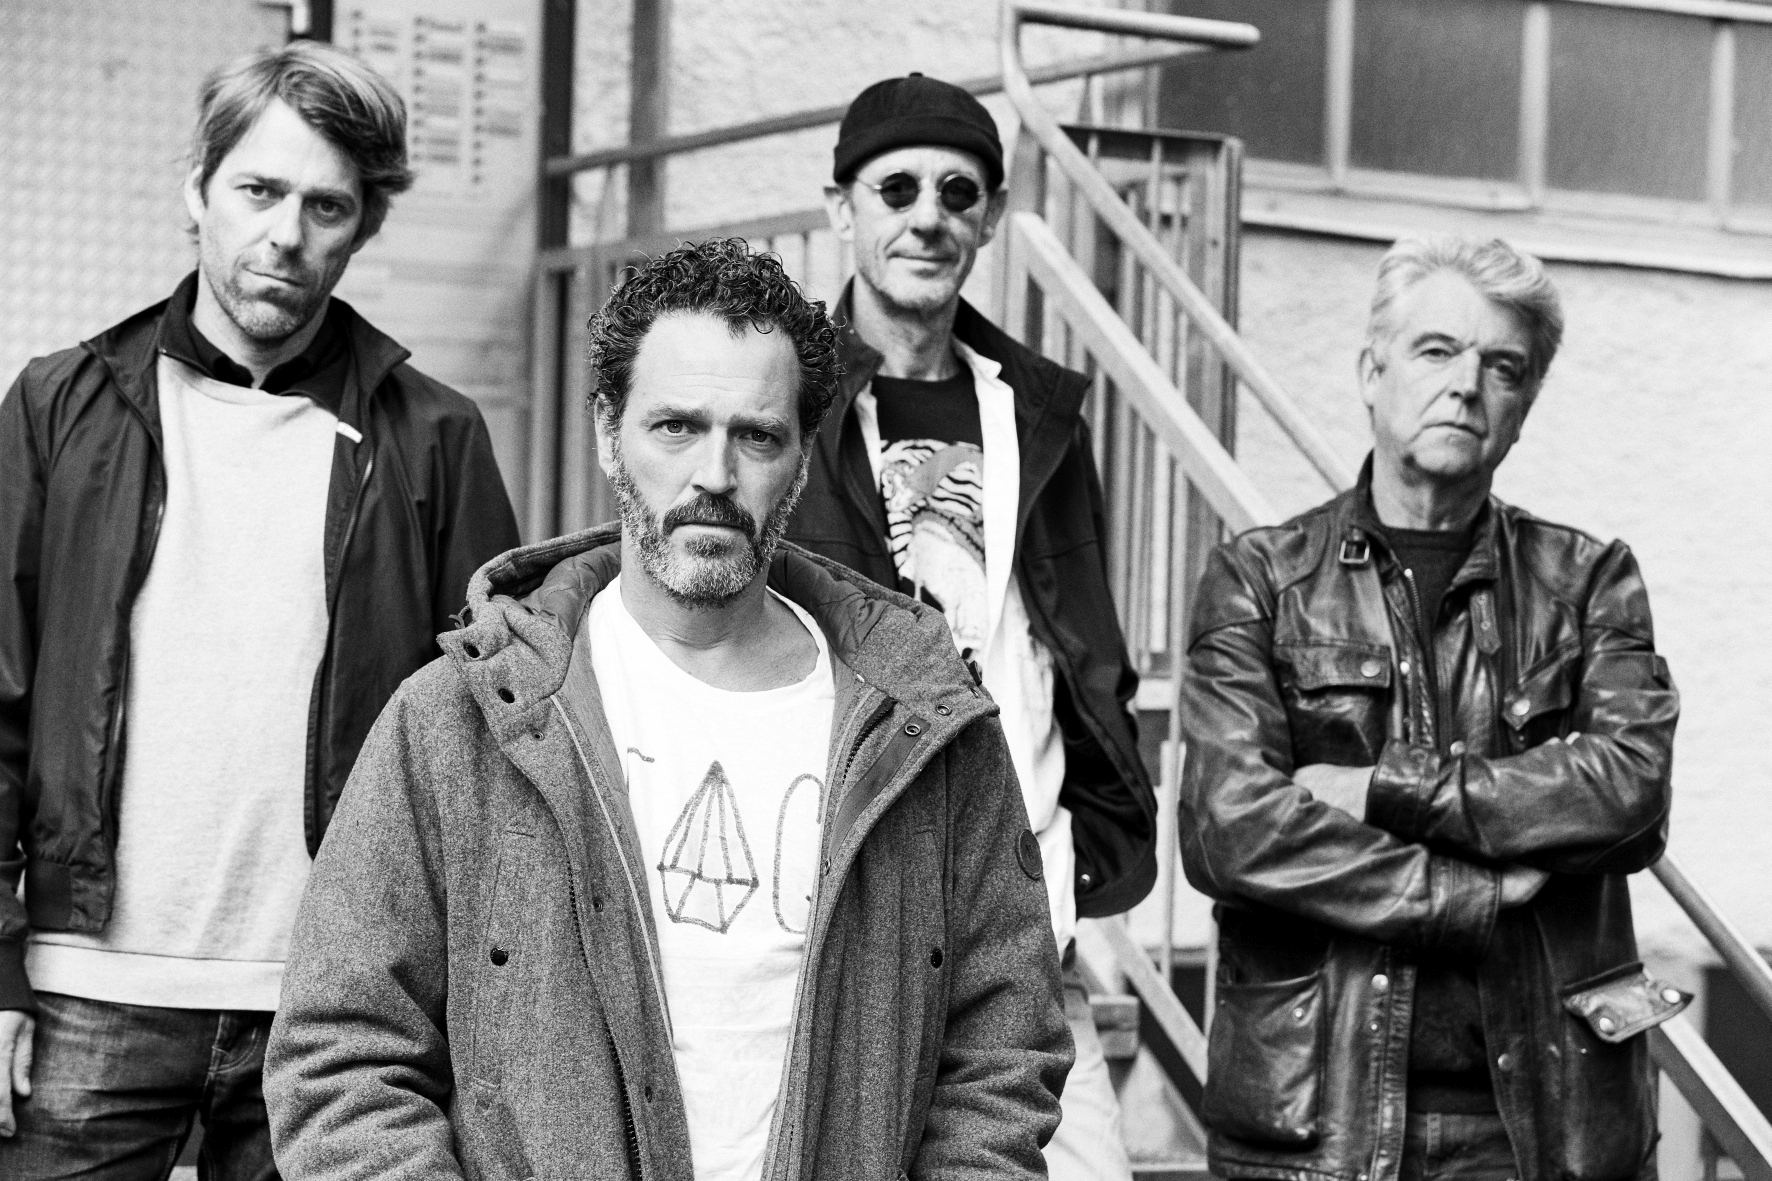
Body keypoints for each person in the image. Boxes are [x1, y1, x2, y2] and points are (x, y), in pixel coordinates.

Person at [262, 238, 1070, 1181]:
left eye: (756, 435)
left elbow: (1003, 1050)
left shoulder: (927, 726)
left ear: (802, 455)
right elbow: (342, 1055)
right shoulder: (458, 723)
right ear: (610, 432)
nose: (714, 475)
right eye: (676, 427)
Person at [0, 41, 519, 1177]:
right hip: (87, 987)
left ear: (362, 227)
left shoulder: (434, 437)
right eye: (259, 190)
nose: (286, 233)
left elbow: (492, 735)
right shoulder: (59, 405)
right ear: (197, 188)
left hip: (334, 1008)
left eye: (326, 205)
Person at [1179, 235, 1681, 1181]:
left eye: (1503, 367)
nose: (1466, 386)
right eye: (1437, 350)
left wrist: (1384, 786)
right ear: (1372, 372)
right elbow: (1229, 827)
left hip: (1544, 1128)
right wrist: (1471, 895)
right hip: (1314, 1124)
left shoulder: (1588, 580)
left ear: (1524, 405)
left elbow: (1629, 792)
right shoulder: (1261, 578)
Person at [786, 73, 1157, 1181]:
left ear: (991, 216)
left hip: (1023, 910)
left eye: (958, 191)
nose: (927, 216)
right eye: (895, 188)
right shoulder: (788, 404)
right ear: (840, 207)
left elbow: (1080, 650)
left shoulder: (1038, 413)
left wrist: (1087, 855)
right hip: (843, 904)